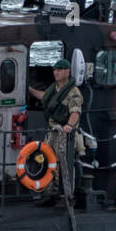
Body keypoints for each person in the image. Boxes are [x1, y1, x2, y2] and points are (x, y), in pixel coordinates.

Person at [28, 58, 83, 203]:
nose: (56, 73)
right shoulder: (54, 89)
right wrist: (31, 91)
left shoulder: (73, 92)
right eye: (55, 70)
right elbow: (44, 97)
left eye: (60, 70)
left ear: (67, 71)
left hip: (64, 134)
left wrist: (69, 126)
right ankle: (50, 193)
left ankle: (66, 194)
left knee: (62, 163)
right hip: (51, 132)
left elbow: (75, 112)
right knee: (48, 160)